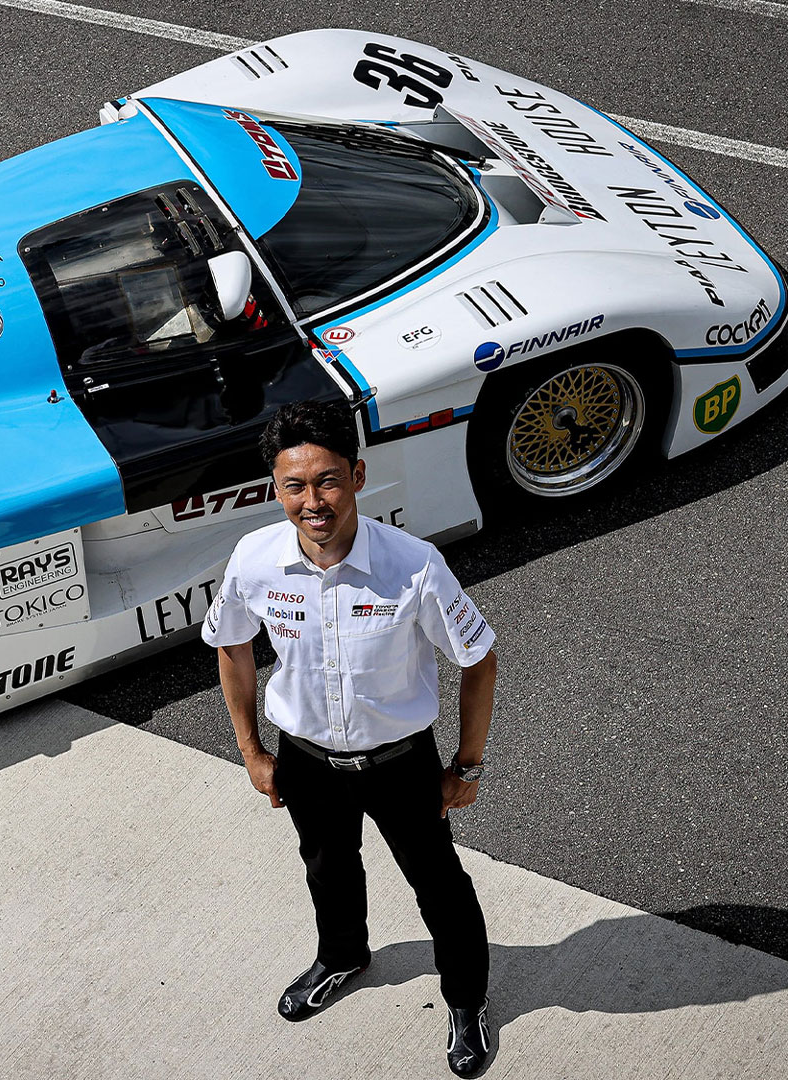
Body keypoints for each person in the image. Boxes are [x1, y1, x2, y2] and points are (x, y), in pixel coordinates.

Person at [203, 399, 499, 1078]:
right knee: (327, 869)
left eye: (329, 480)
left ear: (359, 476)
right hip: (305, 762)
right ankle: (341, 957)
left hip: (401, 765)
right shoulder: (254, 559)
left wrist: (468, 765)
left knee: (440, 886)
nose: (313, 502)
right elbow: (231, 646)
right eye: (295, 486)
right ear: (275, 488)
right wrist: (252, 752)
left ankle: (467, 1001)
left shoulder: (414, 566)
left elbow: (478, 657)